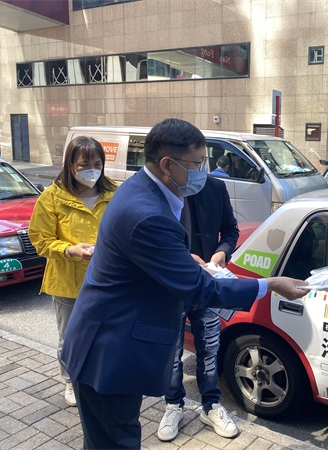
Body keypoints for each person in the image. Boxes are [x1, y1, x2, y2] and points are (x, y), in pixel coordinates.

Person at [61, 118, 309, 449]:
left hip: (111, 341)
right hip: (107, 353)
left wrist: (182, 260)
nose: (203, 170)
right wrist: (271, 285)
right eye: (197, 163)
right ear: (168, 165)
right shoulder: (148, 214)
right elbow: (201, 289)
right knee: (114, 442)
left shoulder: (145, 190)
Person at [28, 136, 117, 408]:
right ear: (70, 164)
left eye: (97, 164)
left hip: (107, 281)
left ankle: (98, 377)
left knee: (105, 335)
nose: (92, 170)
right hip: (68, 282)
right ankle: (70, 381)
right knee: (70, 337)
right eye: (84, 164)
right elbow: (40, 239)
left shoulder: (114, 192)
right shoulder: (52, 197)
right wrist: (69, 249)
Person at [157, 174, 239, 441]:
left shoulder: (216, 186)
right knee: (172, 352)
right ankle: (173, 405)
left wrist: (222, 252)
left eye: (202, 160)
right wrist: (182, 257)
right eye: (194, 161)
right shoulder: (163, 187)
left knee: (210, 349)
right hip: (173, 287)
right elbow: (153, 238)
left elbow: (231, 230)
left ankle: (211, 405)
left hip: (207, 283)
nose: (198, 167)